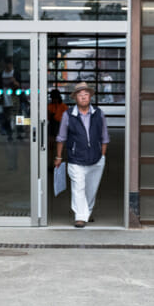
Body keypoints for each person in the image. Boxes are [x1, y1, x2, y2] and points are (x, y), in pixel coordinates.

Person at [54, 82, 109, 228]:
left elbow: (105, 137)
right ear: (75, 98)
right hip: (75, 159)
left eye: (86, 94)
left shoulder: (99, 113)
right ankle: (80, 217)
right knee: (78, 187)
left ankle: (87, 213)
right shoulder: (68, 115)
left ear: (90, 96)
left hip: (96, 159)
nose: (84, 97)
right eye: (80, 95)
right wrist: (58, 157)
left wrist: (102, 156)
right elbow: (61, 137)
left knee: (91, 189)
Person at [0, 58, 22, 142]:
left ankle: (19, 132)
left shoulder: (15, 73)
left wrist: (14, 82)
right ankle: (9, 134)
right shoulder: (1, 74)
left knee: (18, 116)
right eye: (5, 65)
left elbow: (20, 85)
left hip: (14, 98)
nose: (7, 66)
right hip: (4, 99)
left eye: (9, 64)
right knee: (7, 117)